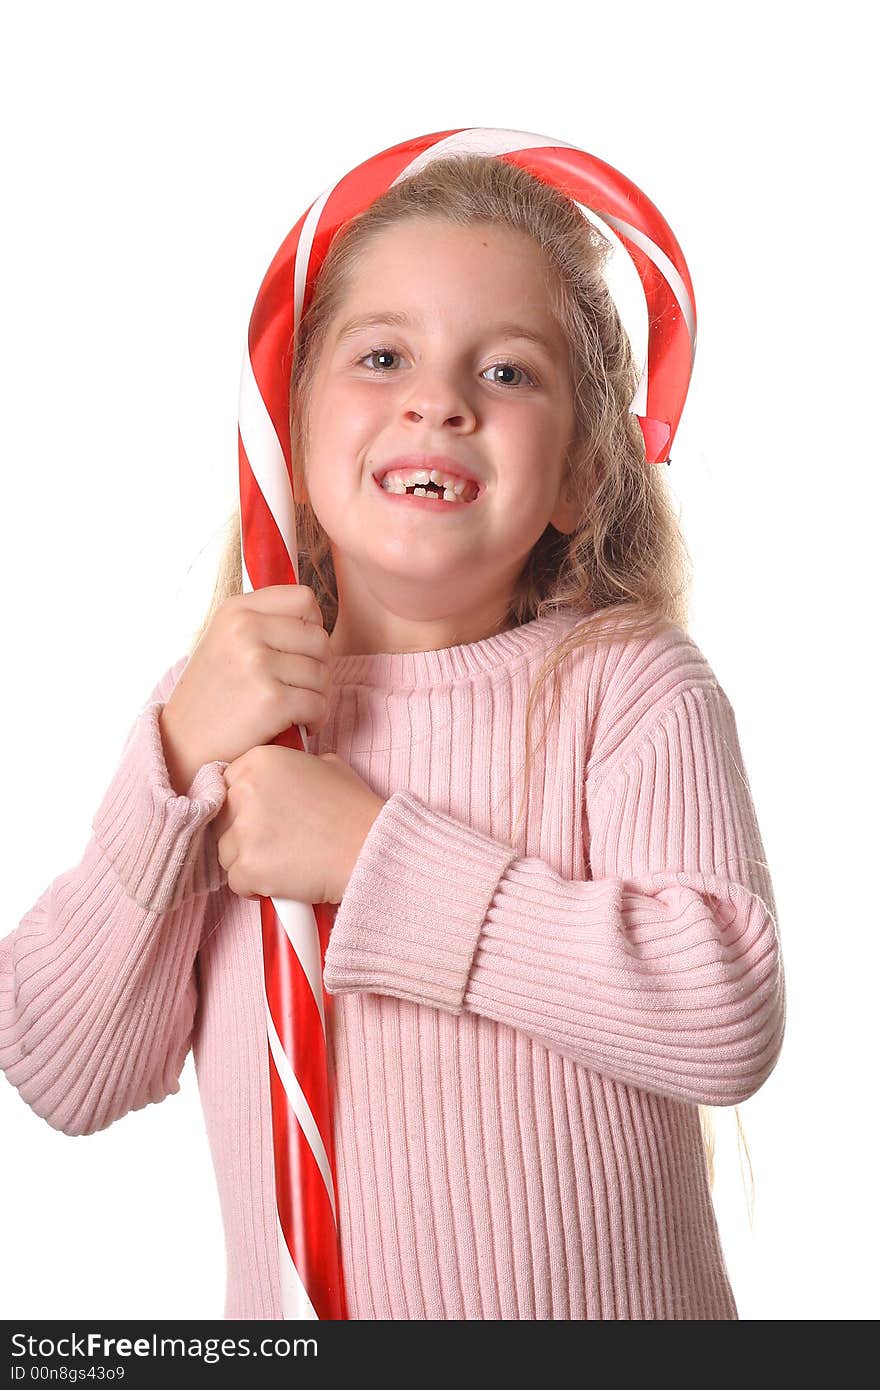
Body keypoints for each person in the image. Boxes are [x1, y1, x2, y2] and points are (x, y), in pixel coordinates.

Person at [0, 153, 785, 1320]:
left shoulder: (626, 686)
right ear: (293, 434)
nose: (439, 400)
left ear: (579, 470)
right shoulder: (230, 721)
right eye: (381, 357)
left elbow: (720, 1010)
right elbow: (65, 1070)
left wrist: (370, 855)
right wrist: (169, 764)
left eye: (507, 370)